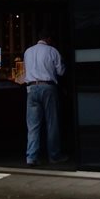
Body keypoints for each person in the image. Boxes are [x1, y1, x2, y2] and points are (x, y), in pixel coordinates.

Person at [22, 35, 65, 165]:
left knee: (33, 126)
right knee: (52, 123)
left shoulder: (28, 51)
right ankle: (54, 156)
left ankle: (31, 157)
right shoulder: (52, 51)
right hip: (48, 87)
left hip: (31, 88)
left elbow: (25, 70)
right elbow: (61, 71)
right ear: (49, 39)